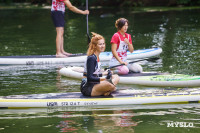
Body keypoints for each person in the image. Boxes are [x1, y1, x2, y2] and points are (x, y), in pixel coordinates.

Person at [80, 32, 119, 97]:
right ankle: (108, 90)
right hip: (88, 87)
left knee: (116, 77)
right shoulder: (91, 58)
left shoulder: (97, 57)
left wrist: (104, 73)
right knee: (109, 85)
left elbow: (95, 74)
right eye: (100, 44)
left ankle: (107, 90)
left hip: (95, 84)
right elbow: (90, 78)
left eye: (103, 44)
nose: (102, 46)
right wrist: (105, 79)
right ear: (95, 46)